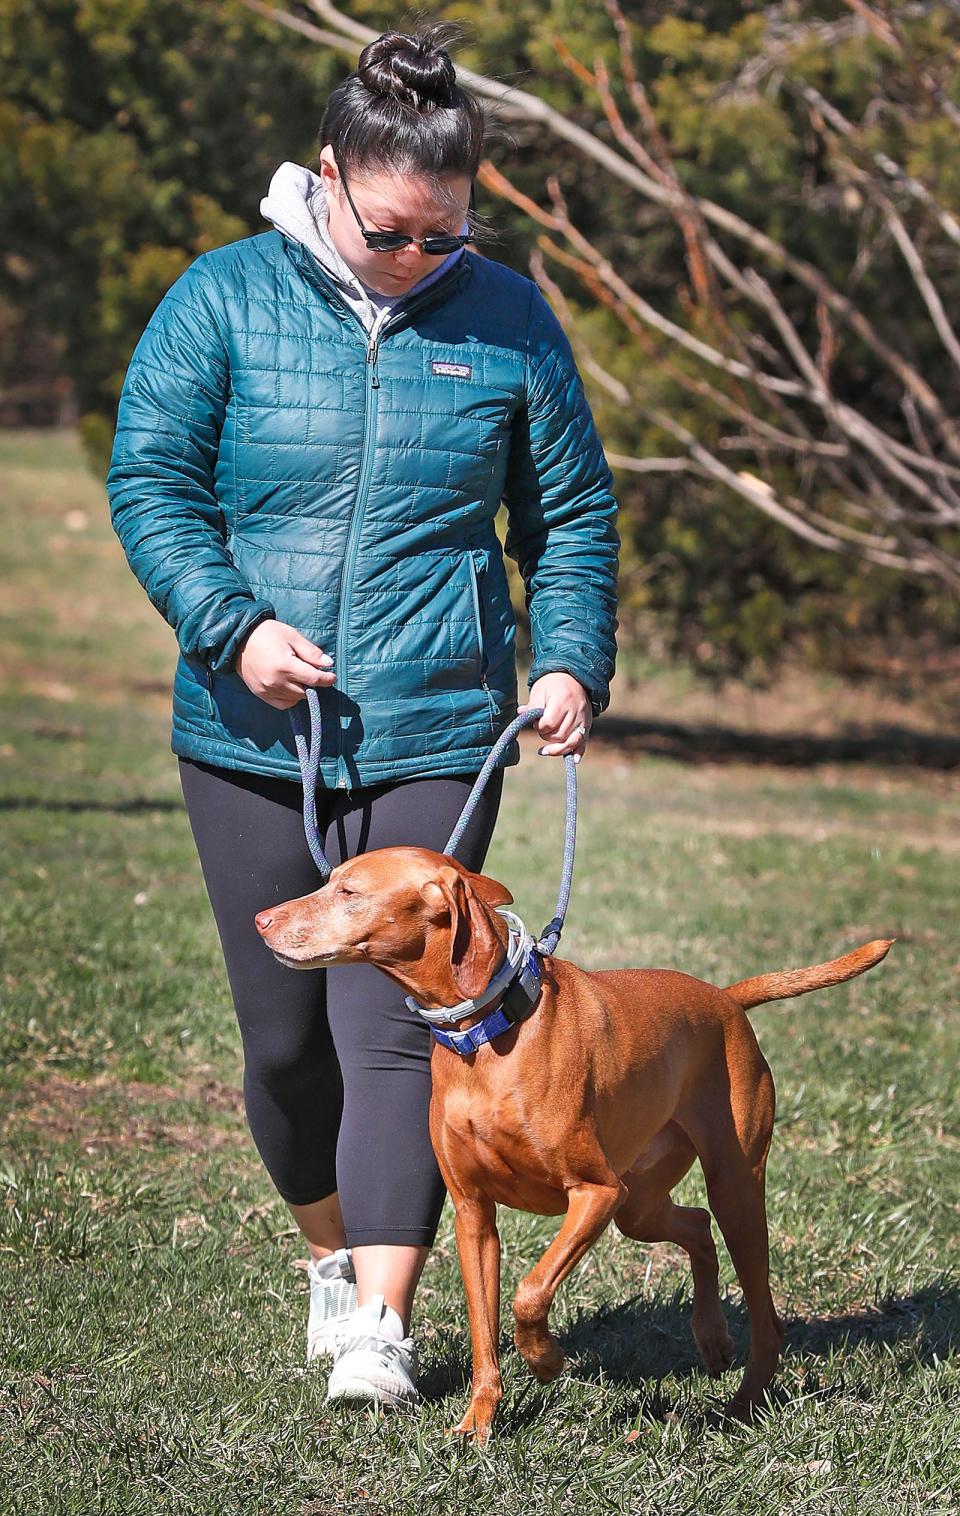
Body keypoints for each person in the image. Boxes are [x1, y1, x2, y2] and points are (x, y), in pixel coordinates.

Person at [106, 22, 619, 1411]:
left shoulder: (507, 318)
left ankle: (383, 1330)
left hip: (439, 724)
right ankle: (330, 1259)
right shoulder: (221, 300)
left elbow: (568, 515)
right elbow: (152, 482)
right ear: (326, 178)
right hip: (250, 730)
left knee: (395, 1031)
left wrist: (569, 658)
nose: (418, 259)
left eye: (446, 236)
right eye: (394, 232)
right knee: (283, 1037)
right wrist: (234, 625)